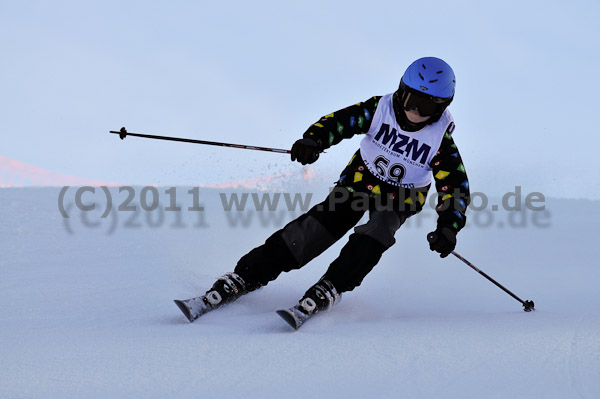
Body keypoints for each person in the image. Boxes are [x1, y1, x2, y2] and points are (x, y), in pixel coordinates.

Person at [176, 57, 470, 325]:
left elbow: (454, 187)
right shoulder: (380, 109)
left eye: (426, 106)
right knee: (318, 227)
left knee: (378, 230)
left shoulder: (440, 142)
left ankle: (333, 284)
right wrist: (314, 140)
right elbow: (341, 122)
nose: (414, 111)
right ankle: (246, 275)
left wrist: (448, 227)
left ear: (441, 108)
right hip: (360, 179)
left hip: (402, 195)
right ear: (400, 90)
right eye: (410, 99)